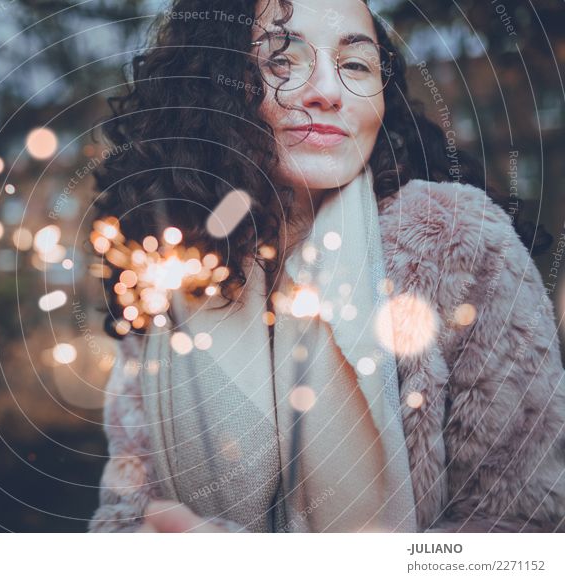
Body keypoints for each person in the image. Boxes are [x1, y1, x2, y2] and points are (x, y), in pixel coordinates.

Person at [87, 0, 565, 532]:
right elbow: (124, 518)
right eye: (280, 62)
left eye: (356, 65)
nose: (328, 91)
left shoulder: (456, 243)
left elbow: (522, 530)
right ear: (207, 93)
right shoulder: (167, 272)